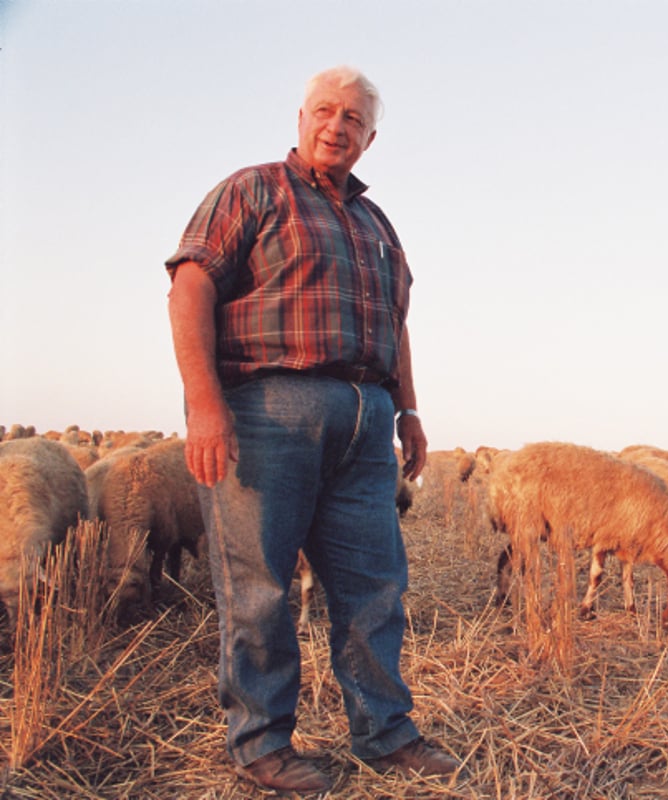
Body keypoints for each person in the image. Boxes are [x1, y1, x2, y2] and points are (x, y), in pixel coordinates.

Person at [165, 66, 461, 795]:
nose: (338, 126)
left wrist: (411, 407)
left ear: (371, 136)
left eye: (354, 118)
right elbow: (191, 283)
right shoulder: (252, 190)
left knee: (375, 585)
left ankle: (385, 733)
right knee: (259, 587)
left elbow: (397, 324)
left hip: (366, 418)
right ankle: (262, 744)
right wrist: (204, 401)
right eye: (326, 112)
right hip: (268, 409)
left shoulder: (376, 223)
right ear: (301, 118)